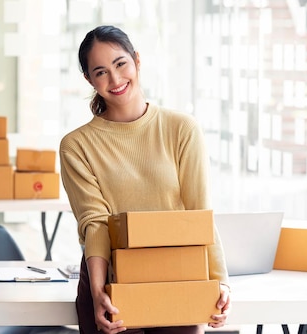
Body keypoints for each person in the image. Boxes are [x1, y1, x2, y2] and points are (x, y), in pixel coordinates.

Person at [59, 25, 232, 334]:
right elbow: (95, 223)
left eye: (120, 64)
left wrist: (220, 281)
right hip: (110, 280)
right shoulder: (77, 145)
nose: (114, 79)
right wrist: (100, 291)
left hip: (177, 273)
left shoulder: (181, 128)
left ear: (137, 60)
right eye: (100, 72)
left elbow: (199, 213)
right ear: (89, 79)